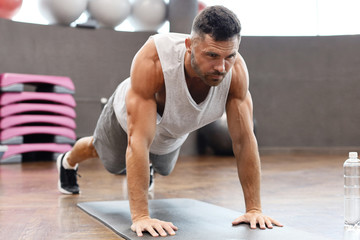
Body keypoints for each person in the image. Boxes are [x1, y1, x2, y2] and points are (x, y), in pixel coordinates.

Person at [56, 5, 283, 237]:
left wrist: (254, 209)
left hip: (172, 128)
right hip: (128, 119)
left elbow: (244, 141)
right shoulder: (155, 58)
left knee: (164, 167)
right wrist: (141, 216)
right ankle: (67, 161)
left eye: (230, 56)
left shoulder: (236, 74)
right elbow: (138, 141)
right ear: (189, 45)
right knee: (111, 161)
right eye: (212, 55)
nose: (221, 67)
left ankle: (148, 168)